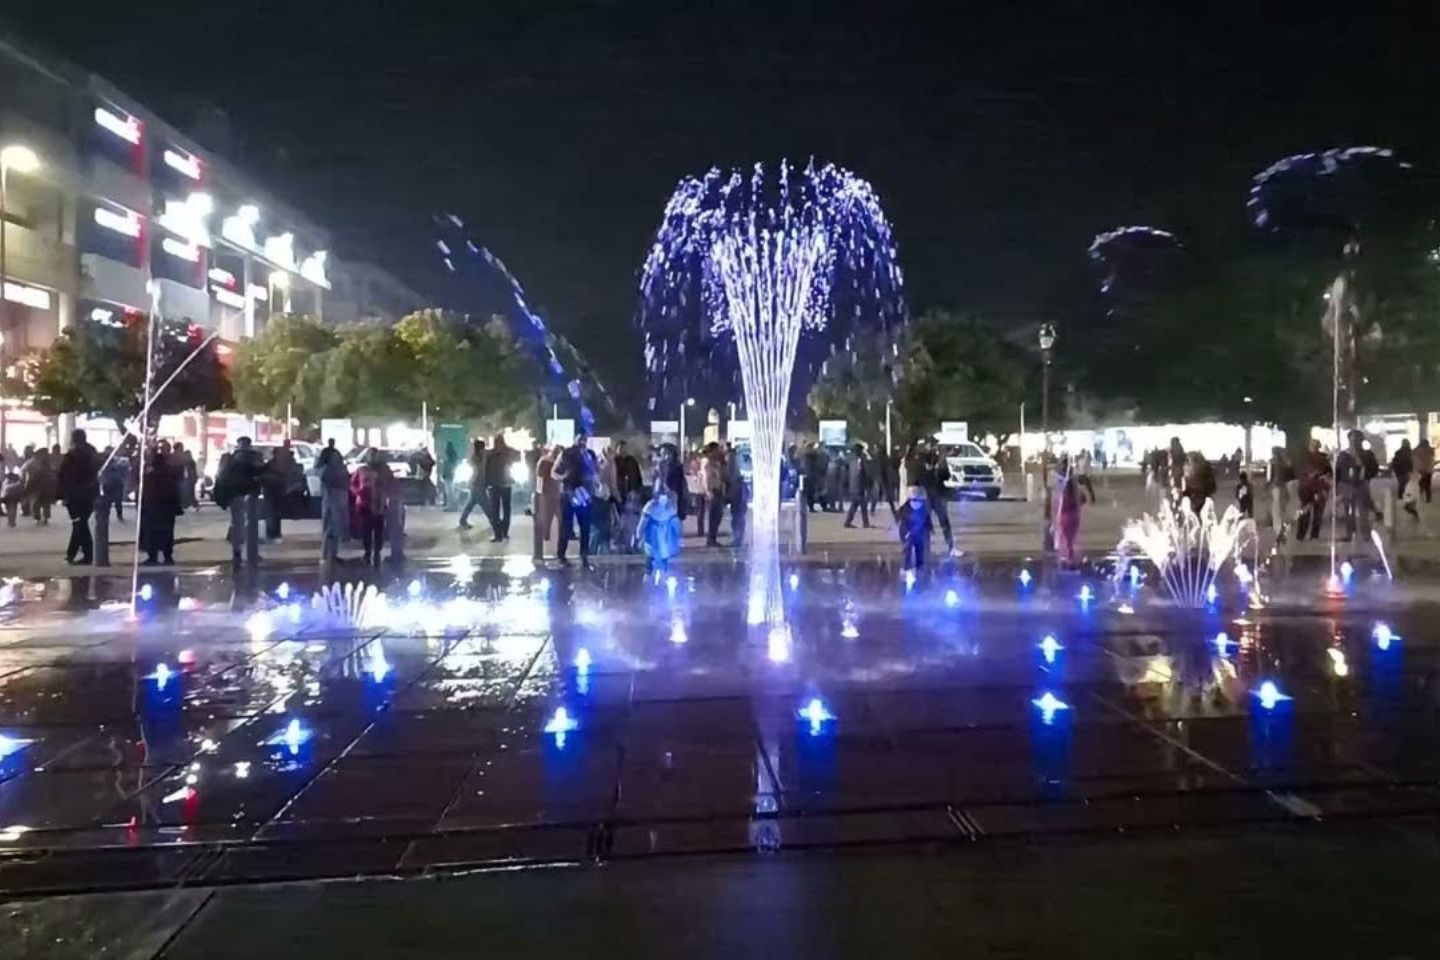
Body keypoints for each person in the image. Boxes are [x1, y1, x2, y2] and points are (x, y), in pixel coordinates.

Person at [56, 429, 100, 565]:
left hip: (75, 495)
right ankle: (83, 554)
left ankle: (77, 554)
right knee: (82, 523)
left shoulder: (72, 455)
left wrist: (61, 495)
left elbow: (62, 476)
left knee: (79, 524)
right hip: (89, 493)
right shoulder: (92, 452)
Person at [555, 431, 598, 568]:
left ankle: (584, 556)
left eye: (585, 439)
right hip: (569, 494)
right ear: (575, 440)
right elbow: (554, 472)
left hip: (585, 496)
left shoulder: (590, 455)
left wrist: (593, 480)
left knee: (585, 527)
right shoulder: (566, 453)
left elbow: (596, 472)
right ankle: (561, 556)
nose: (582, 442)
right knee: (566, 527)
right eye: (580, 439)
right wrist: (564, 476)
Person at [349, 448, 393, 565]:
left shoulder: (385, 470)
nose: (373, 458)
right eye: (371, 456)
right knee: (366, 531)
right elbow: (353, 484)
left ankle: (377, 552)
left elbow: (392, 484)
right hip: (365, 505)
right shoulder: (361, 470)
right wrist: (359, 492)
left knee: (379, 530)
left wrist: (387, 494)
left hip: (380, 504)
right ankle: (367, 553)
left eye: (376, 456)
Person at [139, 446, 182, 565]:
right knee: (167, 533)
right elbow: (175, 491)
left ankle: (153, 556)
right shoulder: (171, 474)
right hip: (168, 508)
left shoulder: (151, 475)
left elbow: (147, 493)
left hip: (154, 507)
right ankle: (168, 556)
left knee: (152, 533)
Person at [317, 440, 350, 563]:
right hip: (332, 500)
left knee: (335, 529)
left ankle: (332, 555)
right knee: (330, 529)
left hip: (338, 500)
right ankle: (327, 555)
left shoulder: (338, 469)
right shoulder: (329, 471)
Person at [637, 487, 682, 574]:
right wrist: (639, 533)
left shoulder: (669, 508)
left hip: (664, 537)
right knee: (651, 553)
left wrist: (678, 533)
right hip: (652, 537)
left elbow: (675, 523)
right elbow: (643, 521)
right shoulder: (650, 506)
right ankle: (650, 568)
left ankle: (663, 569)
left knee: (663, 554)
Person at [920, 447, 955, 555]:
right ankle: (928, 548)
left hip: (933, 494)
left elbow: (946, 476)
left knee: (939, 521)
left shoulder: (937, 461)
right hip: (931, 494)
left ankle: (949, 547)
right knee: (935, 521)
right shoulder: (926, 461)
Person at [1296, 439, 1331, 541]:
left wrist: (1323, 478)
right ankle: (1301, 534)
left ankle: (1314, 535)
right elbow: (1300, 472)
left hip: (1319, 488)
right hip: (1306, 488)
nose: (1313, 447)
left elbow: (1329, 472)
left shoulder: (1323, 458)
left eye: (1315, 445)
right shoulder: (1303, 458)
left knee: (1318, 513)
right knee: (1305, 511)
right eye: (1312, 445)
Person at [485, 434, 516, 542]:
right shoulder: (506, 453)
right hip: (501, 484)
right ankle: (502, 533)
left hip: (497, 484)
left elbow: (487, 469)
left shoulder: (492, 454)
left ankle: (500, 533)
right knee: (501, 509)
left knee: (497, 510)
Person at [1053, 455, 1083, 566]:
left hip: (1068, 513)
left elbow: (1065, 496)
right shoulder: (1071, 480)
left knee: (1067, 537)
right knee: (1069, 537)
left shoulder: (1065, 481)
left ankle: (1069, 556)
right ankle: (1069, 556)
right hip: (1072, 513)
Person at [457, 439, 491, 533]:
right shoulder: (479, 458)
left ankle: (463, 520)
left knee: (471, 503)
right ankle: (494, 521)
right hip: (478, 483)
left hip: (475, 483)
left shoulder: (477, 457)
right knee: (486, 504)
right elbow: (478, 472)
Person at [896, 486, 933, 571]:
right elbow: (899, 516)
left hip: (919, 533)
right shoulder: (906, 508)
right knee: (908, 548)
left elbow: (927, 519)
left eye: (919, 500)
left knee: (919, 549)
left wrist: (930, 528)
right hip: (908, 532)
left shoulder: (923, 509)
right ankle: (906, 567)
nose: (916, 503)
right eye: (914, 500)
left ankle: (919, 566)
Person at [20, 444, 55, 526]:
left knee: (38, 503)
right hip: (47, 487)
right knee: (45, 503)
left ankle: (38, 518)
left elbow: (23, 470)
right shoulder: (48, 463)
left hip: (38, 487)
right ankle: (45, 517)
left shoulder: (33, 461)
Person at [536, 445, 560, 549]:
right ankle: (546, 535)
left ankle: (546, 535)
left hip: (549, 492)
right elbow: (540, 477)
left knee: (548, 515)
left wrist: (539, 491)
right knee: (551, 515)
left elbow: (539, 476)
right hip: (551, 492)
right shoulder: (547, 462)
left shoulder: (544, 461)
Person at [1266, 446, 1294, 532]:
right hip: (1284, 487)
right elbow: (1291, 477)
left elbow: (1269, 477)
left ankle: (1277, 527)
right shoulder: (1287, 463)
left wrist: (1267, 487)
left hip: (1275, 487)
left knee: (1275, 509)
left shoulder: (1272, 462)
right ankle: (1284, 525)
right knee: (1283, 508)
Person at [703, 443, 727, 545]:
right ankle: (711, 539)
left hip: (718, 491)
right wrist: (708, 491)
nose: (719, 451)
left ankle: (713, 538)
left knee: (717, 516)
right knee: (714, 517)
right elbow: (707, 479)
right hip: (713, 492)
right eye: (716, 450)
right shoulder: (708, 463)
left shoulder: (716, 463)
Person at [844, 443, 872, 529]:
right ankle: (866, 523)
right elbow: (864, 472)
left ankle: (848, 522)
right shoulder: (860, 460)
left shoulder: (852, 460)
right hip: (859, 486)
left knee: (854, 505)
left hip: (853, 486)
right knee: (863, 505)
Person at [727, 445, 748, 548]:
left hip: (737, 492)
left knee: (737, 516)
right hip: (737, 492)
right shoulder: (736, 463)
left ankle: (738, 537)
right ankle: (738, 537)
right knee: (738, 516)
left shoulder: (733, 464)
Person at [439, 441, 459, 509]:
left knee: (449, 491)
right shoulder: (453, 455)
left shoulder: (447, 455)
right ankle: (452, 505)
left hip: (448, 474)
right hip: (451, 475)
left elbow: (446, 466)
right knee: (450, 490)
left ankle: (451, 506)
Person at [1416, 438, 1435, 504]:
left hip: (1424, 470)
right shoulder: (1431, 450)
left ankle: (1421, 495)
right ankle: (1428, 497)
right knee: (1427, 484)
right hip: (1429, 470)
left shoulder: (1421, 451)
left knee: (1422, 483)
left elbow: (1415, 453)